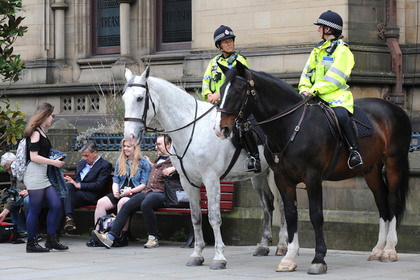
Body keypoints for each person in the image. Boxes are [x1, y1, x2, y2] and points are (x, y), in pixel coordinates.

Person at [299, 10, 363, 170]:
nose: (318, 30)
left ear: (328, 29)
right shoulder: (317, 50)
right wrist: (304, 90)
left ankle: (355, 151)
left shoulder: (343, 51)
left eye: (320, 27)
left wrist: (314, 90)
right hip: (313, 96)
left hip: (336, 98)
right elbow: (306, 73)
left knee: (341, 116)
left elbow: (335, 78)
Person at [93, 135, 176, 249]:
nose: (156, 147)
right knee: (126, 205)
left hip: (160, 193)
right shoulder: (158, 159)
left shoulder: (175, 159)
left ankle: (153, 238)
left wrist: (174, 168)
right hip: (148, 192)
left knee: (146, 204)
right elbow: (156, 169)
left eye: (159, 144)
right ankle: (110, 237)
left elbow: (188, 166)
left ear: (168, 145)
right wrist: (152, 164)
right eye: (156, 144)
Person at [202, 25, 261, 173]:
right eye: (225, 41)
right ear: (219, 45)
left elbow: (239, 86)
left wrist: (218, 95)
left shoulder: (240, 61)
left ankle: (254, 158)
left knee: (243, 126)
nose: (229, 43)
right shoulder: (213, 62)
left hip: (234, 106)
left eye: (231, 40)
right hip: (215, 105)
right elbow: (205, 81)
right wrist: (209, 95)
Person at [86, 138, 151, 247]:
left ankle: (121, 237)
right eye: (124, 146)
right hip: (120, 191)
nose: (126, 149)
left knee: (122, 203)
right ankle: (98, 235)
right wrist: (115, 191)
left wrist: (129, 191)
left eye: (128, 146)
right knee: (101, 203)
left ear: (135, 148)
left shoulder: (143, 162)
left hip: (135, 193)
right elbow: (115, 180)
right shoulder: (120, 160)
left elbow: (143, 184)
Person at [23, 102, 68, 252]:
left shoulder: (42, 132)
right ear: (45, 115)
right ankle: (31, 243)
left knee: (55, 204)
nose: (53, 119)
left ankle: (51, 240)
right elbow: (34, 156)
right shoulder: (35, 132)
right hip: (34, 174)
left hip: (42, 174)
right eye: (52, 115)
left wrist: (55, 158)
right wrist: (53, 163)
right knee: (35, 209)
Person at [59, 141, 113, 232]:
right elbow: (75, 179)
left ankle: (56, 232)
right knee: (62, 197)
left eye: (87, 156)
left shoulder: (105, 165)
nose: (85, 158)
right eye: (84, 156)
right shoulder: (82, 164)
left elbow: (98, 185)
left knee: (63, 198)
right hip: (76, 194)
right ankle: (67, 221)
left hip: (91, 195)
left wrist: (79, 185)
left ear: (95, 153)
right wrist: (69, 181)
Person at [0, 152, 27, 240]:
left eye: (8, 169)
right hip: (23, 193)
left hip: (30, 193)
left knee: (15, 201)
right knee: (11, 200)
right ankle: (19, 230)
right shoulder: (13, 172)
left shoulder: (19, 170)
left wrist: (4, 212)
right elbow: (14, 191)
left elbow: (19, 191)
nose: (9, 172)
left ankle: (22, 230)